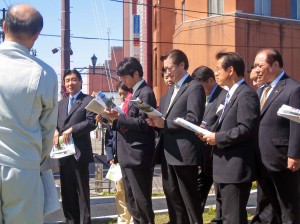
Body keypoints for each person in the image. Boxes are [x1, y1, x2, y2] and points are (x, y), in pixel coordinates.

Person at [0, 4, 58, 224]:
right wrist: (34, 159)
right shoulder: (45, 74)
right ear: (36, 35)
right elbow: (47, 130)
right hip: (23, 165)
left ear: (4, 26)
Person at [199, 51, 260, 224]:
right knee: (225, 216)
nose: (215, 73)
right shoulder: (229, 94)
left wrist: (218, 137)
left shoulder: (246, 94)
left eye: (218, 69)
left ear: (230, 70)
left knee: (233, 218)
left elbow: (246, 128)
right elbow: (226, 124)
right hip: (223, 167)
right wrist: (206, 131)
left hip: (235, 168)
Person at [147, 49, 206, 224]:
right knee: (172, 197)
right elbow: (164, 120)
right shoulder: (169, 93)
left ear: (181, 65)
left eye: (169, 67)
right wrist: (156, 123)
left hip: (184, 153)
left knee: (189, 198)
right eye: (164, 69)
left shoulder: (194, 87)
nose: (166, 72)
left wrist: (164, 123)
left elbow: (192, 119)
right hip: (168, 152)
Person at [103, 57, 156, 224]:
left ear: (136, 73)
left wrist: (118, 118)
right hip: (126, 154)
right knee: (131, 200)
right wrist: (111, 117)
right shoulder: (133, 94)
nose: (123, 82)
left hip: (137, 155)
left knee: (141, 200)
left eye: (125, 78)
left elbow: (144, 123)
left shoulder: (145, 93)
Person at [250, 48, 300, 224]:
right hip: (262, 160)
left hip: (283, 160)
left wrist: (294, 154)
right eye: (254, 66)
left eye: (259, 65)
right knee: (266, 206)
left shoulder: (293, 89)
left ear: (275, 64)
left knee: (288, 206)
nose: (256, 70)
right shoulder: (261, 90)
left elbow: (297, 124)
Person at [54, 69, 97, 224]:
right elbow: (55, 123)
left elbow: (92, 122)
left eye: (73, 80)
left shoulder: (88, 100)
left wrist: (73, 130)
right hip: (63, 153)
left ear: (80, 82)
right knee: (67, 192)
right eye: (67, 80)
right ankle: (70, 220)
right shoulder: (60, 104)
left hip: (79, 153)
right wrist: (55, 131)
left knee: (82, 193)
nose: (70, 83)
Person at [191, 66, 227, 224]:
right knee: (197, 193)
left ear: (210, 80)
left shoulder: (225, 96)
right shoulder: (199, 98)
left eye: (201, 86)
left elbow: (226, 123)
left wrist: (208, 129)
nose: (198, 90)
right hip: (201, 156)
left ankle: (220, 220)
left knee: (221, 194)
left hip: (217, 153)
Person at [104, 82, 133, 224]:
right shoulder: (115, 110)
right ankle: (123, 219)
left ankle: (133, 219)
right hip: (117, 159)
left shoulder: (130, 111)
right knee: (120, 192)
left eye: (124, 93)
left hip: (130, 156)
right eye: (120, 94)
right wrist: (110, 156)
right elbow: (109, 136)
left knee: (132, 192)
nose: (122, 97)